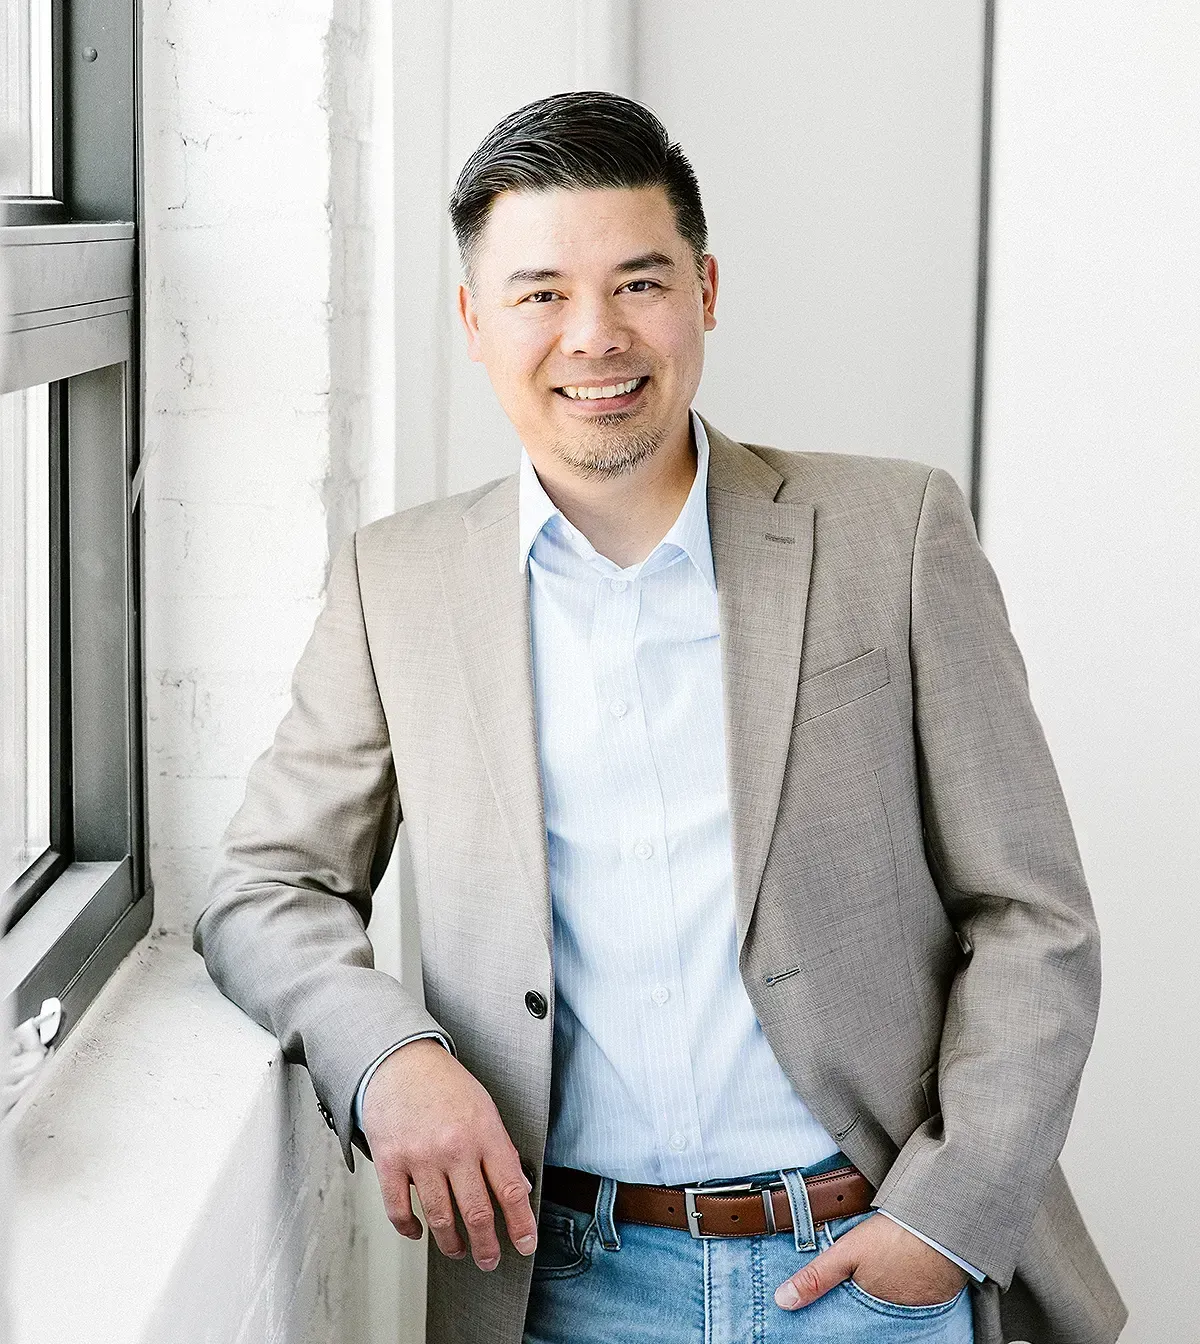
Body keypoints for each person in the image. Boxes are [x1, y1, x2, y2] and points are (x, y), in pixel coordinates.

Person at [194, 92, 1126, 1344]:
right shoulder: (396, 583)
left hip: (872, 1269)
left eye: (639, 283)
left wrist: (946, 1218)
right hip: (559, 1285)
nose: (595, 337)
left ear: (706, 290)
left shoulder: (891, 533)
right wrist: (389, 1061)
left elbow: (1033, 916)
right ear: (474, 321)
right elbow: (267, 888)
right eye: (539, 295)